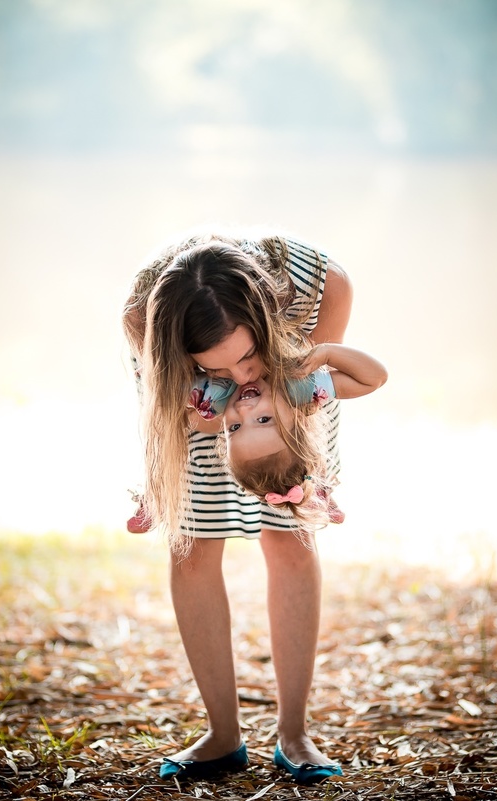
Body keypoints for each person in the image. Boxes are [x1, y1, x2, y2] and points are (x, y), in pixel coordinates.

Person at [122, 230, 355, 784]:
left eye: (248, 356)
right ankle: (222, 735)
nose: (242, 376)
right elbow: (169, 415)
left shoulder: (321, 286)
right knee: (193, 546)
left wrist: (271, 412)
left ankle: (294, 734)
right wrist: (209, 403)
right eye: (220, 365)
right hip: (192, 401)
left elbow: (318, 385)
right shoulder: (144, 318)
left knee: (289, 537)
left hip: (290, 394)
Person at [221, 343, 387, 526]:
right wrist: (326, 354)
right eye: (263, 420)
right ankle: (317, 487)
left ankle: (318, 490)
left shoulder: (219, 397)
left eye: (234, 427)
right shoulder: (298, 389)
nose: (243, 409)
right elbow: (374, 378)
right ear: (297, 418)